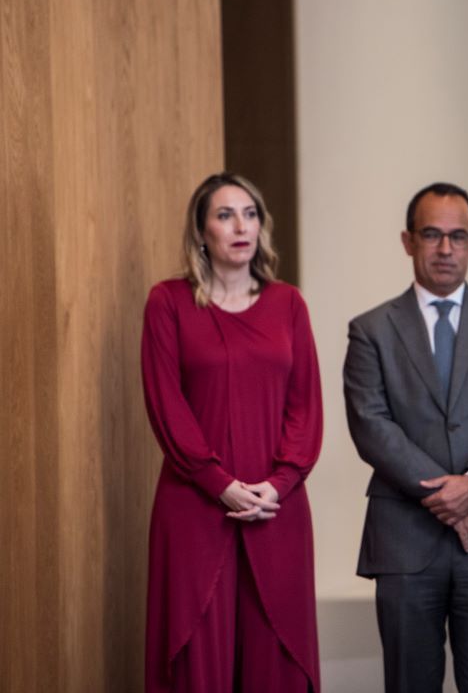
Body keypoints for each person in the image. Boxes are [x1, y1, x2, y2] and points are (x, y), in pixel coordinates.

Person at [343, 182, 468, 693]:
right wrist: (449, 496)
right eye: (432, 235)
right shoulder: (371, 330)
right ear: (408, 241)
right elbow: (370, 424)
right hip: (405, 534)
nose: (445, 249)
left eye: (458, 237)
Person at [140, 172, 323, 692]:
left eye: (249, 214)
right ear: (201, 232)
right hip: (195, 506)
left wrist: (280, 484)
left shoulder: (289, 304)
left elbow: (305, 405)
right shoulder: (168, 303)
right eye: (224, 215)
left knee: (277, 656)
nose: (240, 226)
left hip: (276, 508)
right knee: (198, 660)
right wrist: (217, 481)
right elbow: (166, 405)